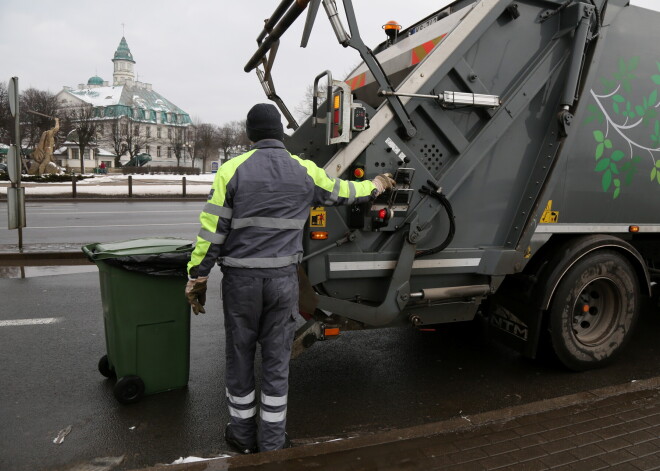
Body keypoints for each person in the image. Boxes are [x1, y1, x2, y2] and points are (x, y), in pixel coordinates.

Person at [185, 103, 395, 454]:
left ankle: (241, 434)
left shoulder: (231, 170)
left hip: (241, 282)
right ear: (280, 132)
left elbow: (211, 232)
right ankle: (272, 440)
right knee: (276, 360)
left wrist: (198, 277)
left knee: (239, 355)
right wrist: (375, 185)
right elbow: (343, 193)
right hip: (283, 282)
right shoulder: (304, 170)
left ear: (251, 134)